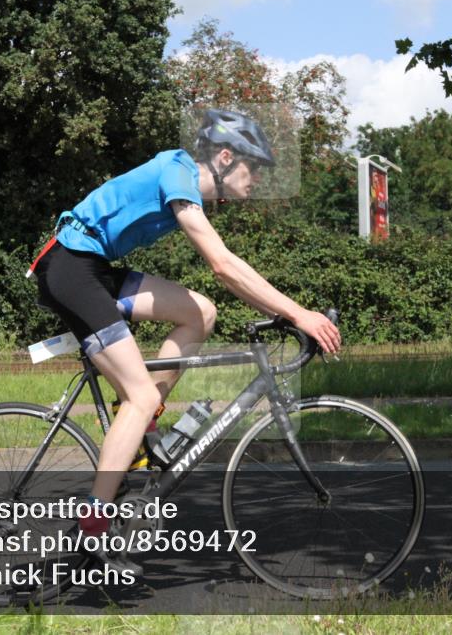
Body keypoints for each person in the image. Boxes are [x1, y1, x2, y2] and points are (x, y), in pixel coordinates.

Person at [31, 109, 341, 572]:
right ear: (224, 156)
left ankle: (142, 429)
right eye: (252, 166)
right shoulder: (178, 173)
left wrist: (287, 313)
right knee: (137, 395)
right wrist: (298, 314)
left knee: (202, 313)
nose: (256, 178)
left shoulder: (185, 184)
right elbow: (223, 264)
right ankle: (93, 529)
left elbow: (223, 280)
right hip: (71, 269)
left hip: (93, 269)